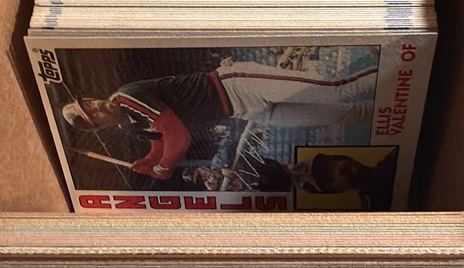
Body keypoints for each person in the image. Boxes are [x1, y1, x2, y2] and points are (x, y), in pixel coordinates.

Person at [61, 59, 376, 180]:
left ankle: (396, 65)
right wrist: (148, 162)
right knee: (342, 114)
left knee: (338, 90)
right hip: (242, 110)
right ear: (97, 125)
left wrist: (163, 168)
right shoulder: (130, 125)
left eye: (89, 102)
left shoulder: (127, 96)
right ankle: (391, 110)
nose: (96, 105)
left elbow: (177, 136)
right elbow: (160, 142)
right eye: (92, 113)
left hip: (236, 84)